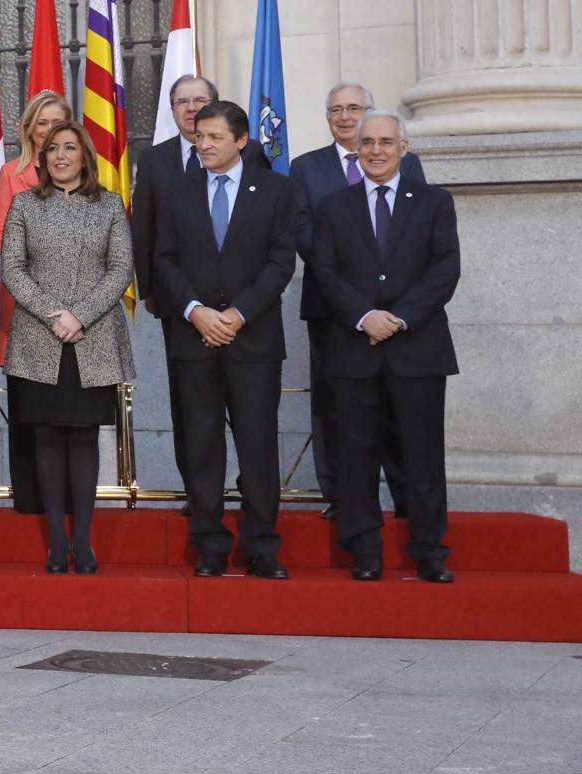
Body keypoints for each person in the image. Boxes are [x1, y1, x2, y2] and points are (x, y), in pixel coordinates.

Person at [309, 112, 459, 584]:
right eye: (368, 142)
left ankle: (430, 551)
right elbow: (325, 272)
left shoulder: (435, 202)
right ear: (357, 150)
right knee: (355, 456)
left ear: (404, 148)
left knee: (422, 456)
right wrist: (364, 317)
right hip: (354, 349)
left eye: (386, 142)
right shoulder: (334, 206)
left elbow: (445, 270)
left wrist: (398, 318)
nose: (375, 149)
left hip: (417, 348)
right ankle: (365, 551)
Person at [152, 101, 297, 579]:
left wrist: (237, 313)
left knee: (257, 444)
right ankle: (210, 545)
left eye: (215, 137)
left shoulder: (275, 190)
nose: (204, 144)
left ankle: (261, 547)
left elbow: (281, 262)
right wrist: (196, 312)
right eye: (199, 136)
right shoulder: (177, 191)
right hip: (194, 338)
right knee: (201, 444)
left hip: (251, 339)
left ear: (241, 141)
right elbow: (164, 259)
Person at [1, 122, 135, 574]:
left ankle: (85, 541)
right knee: (46, 435)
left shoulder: (110, 205)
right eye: (53, 148)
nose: (60, 156)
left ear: (85, 156)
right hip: (40, 338)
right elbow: (13, 269)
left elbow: (120, 269)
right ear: (43, 158)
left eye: (69, 148)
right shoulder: (24, 204)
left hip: (93, 337)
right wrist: (55, 315)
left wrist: (80, 315)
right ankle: (57, 542)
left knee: (83, 437)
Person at [290, 82, 425, 516]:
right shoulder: (305, 168)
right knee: (334, 406)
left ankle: (404, 496)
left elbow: (415, 232)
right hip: (332, 306)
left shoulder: (410, 164)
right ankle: (338, 494)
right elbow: (305, 235)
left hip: (394, 311)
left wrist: (382, 297)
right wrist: (355, 295)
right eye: (336, 110)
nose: (345, 117)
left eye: (354, 108)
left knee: (399, 405)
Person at [131, 75, 269, 486]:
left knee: (249, 415)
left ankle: (251, 486)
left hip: (243, 315)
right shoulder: (155, 160)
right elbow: (146, 232)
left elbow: (260, 234)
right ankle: (198, 489)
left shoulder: (255, 155)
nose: (190, 109)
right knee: (190, 412)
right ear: (171, 111)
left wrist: (235, 311)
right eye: (182, 102)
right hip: (182, 308)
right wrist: (154, 293)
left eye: (199, 101)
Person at [0, 89, 72, 515]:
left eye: (57, 120)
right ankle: (30, 503)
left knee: (71, 408)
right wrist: (44, 293)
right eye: (42, 122)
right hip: (25, 306)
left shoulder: (85, 174)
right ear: (30, 129)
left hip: (79, 311)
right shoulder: (11, 174)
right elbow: (5, 237)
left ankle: (71, 500)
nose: (49, 129)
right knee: (28, 406)